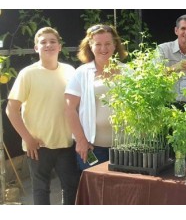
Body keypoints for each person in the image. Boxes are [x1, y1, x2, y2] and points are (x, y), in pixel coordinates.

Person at [6, 27, 79, 205]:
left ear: (60, 46)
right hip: (38, 146)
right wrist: (28, 138)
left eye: (53, 41)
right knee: (41, 190)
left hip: (66, 144)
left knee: (71, 188)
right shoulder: (27, 74)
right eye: (43, 42)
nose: (48, 45)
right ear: (36, 48)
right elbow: (11, 109)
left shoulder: (70, 71)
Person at [65, 24, 127, 171]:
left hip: (124, 147)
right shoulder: (81, 73)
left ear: (115, 45)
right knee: (97, 191)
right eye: (98, 44)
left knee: (122, 191)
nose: (103, 49)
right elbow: (69, 109)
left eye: (107, 43)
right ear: (90, 46)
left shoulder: (128, 72)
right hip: (93, 148)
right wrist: (81, 141)